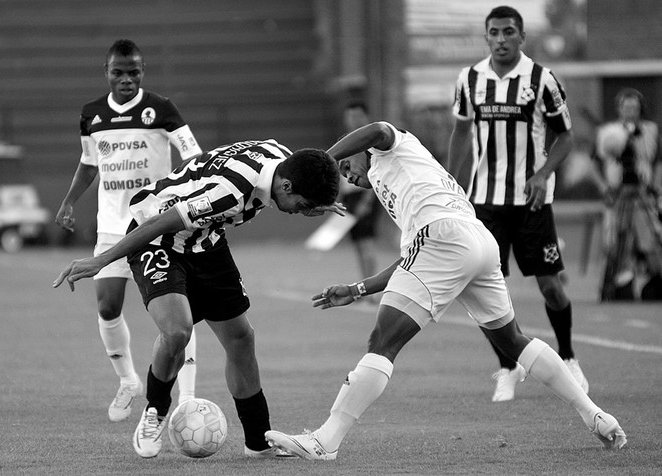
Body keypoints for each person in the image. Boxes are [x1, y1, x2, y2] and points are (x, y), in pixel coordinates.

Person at [264, 121, 627, 461]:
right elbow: (413, 259)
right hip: (475, 242)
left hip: (446, 239)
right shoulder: (400, 190)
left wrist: (324, 162)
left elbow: (377, 130)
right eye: (342, 175)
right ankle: (596, 416)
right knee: (512, 339)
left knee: (383, 342)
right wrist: (358, 289)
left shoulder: (391, 149)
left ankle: (326, 440)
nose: (347, 174)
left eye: (345, 166)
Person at [53, 140, 341, 458]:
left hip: (206, 239)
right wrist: (101, 260)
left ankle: (259, 443)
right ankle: (156, 411)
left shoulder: (283, 158)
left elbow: (320, 163)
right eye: (301, 204)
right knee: (177, 331)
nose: (300, 212)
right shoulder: (230, 193)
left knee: (241, 338)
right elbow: (159, 223)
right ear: (285, 185)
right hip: (158, 239)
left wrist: (317, 199)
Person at [447, 5, 588, 402]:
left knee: (550, 287)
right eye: (494, 32)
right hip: (485, 204)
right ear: (486, 37)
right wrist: (451, 183)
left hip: (531, 202)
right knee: (484, 289)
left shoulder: (542, 80)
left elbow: (566, 138)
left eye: (509, 32)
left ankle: (570, 357)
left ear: (522, 37)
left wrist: (542, 174)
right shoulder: (470, 79)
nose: (502, 39)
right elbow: (460, 132)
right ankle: (509, 366)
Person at [55, 39, 200, 422]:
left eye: (133, 72)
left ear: (142, 71)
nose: (126, 79)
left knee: (179, 311)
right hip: (112, 228)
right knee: (106, 305)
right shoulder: (91, 115)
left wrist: (181, 194)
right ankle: (128, 381)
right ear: (106, 72)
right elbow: (89, 163)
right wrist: (70, 201)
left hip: (158, 225)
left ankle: (186, 397)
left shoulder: (162, 109)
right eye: (118, 72)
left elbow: (194, 156)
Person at [594, 88, 662, 300]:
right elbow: (595, 162)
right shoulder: (608, 132)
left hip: (643, 193)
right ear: (619, 109)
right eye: (626, 107)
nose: (631, 111)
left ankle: (655, 279)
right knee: (616, 240)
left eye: (635, 107)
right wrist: (604, 187)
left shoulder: (651, 131)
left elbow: (657, 161)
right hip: (617, 194)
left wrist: (656, 186)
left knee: (650, 238)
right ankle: (618, 282)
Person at [338, 100, 382, 279]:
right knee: (357, 244)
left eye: (358, 116)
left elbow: (377, 172)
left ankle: (370, 286)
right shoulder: (346, 140)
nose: (354, 120)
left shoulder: (372, 141)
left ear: (366, 117)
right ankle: (363, 282)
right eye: (350, 116)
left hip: (364, 194)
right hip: (349, 196)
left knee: (366, 243)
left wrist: (367, 201)